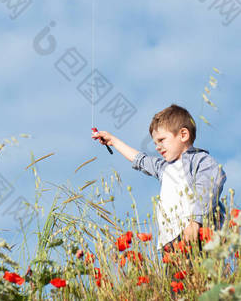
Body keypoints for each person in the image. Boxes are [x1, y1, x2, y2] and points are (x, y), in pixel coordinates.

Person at [92, 104, 227, 263]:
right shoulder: (164, 168)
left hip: (195, 233)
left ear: (183, 134)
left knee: (202, 280)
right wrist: (113, 141)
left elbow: (208, 187)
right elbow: (140, 160)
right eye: (155, 143)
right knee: (177, 286)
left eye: (162, 140)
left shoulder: (200, 160)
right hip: (169, 244)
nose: (157, 147)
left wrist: (195, 221)